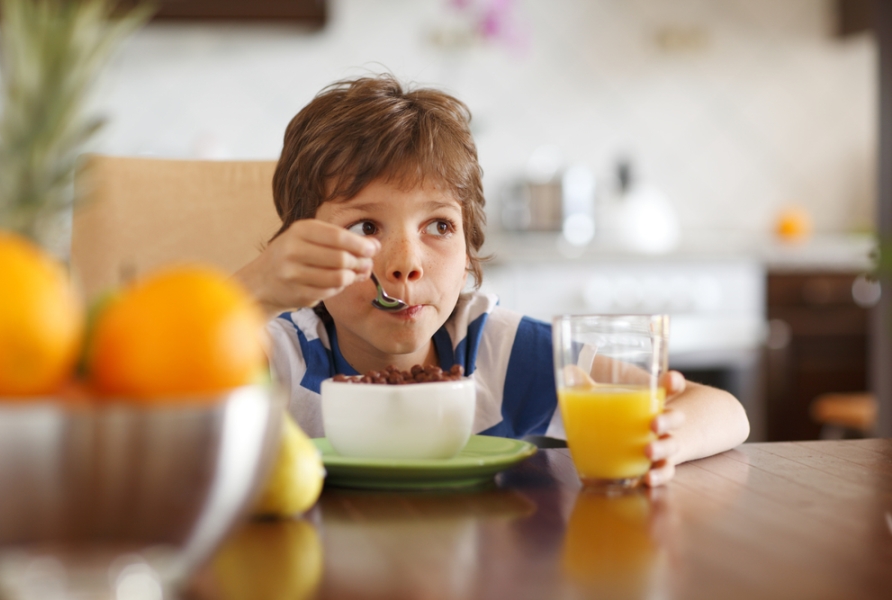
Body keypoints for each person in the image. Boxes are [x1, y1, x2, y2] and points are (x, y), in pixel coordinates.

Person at [234, 74, 750, 486]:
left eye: (439, 226)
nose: (406, 263)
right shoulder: (282, 356)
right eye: (366, 227)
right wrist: (254, 290)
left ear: (469, 248)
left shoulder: (498, 350)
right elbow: (156, 385)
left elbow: (724, 411)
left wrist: (668, 440)